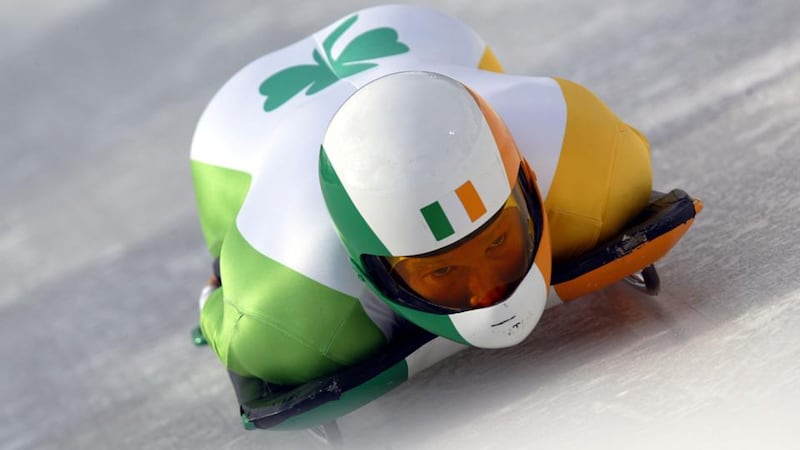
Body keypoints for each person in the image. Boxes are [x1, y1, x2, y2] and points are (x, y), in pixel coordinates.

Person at [191, 4, 652, 390]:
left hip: (421, 36)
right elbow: (232, 322)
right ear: (370, 269)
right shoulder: (289, 320)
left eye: (496, 242)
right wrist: (216, 291)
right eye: (442, 271)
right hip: (236, 130)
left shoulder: (591, 156)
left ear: (526, 185)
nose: (487, 291)